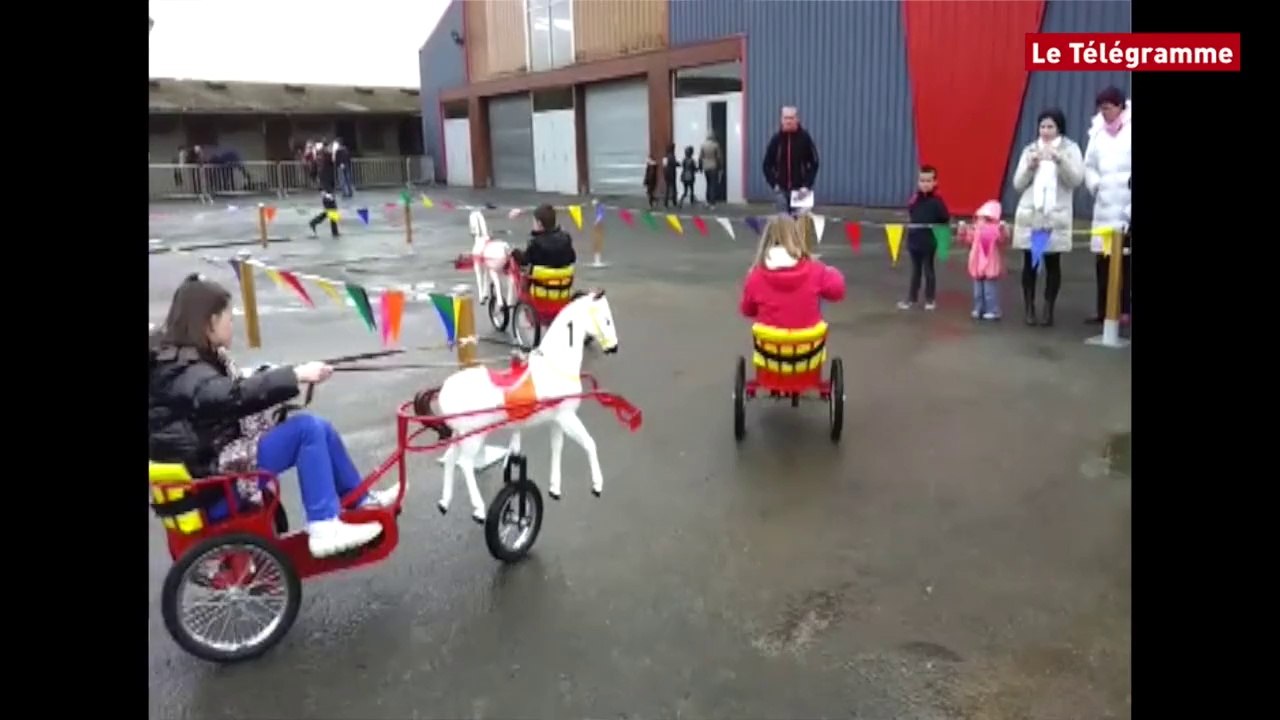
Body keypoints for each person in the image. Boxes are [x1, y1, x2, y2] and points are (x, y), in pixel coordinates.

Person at [148, 275, 396, 558]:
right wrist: (294, 376)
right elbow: (229, 395)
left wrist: (282, 374)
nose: (232, 325)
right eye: (229, 319)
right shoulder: (182, 368)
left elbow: (222, 389)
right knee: (306, 430)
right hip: (215, 485)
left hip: (211, 467)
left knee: (320, 428)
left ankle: (361, 501)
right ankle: (324, 525)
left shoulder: (181, 359)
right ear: (210, 322)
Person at [1010, 107, 1085, 327]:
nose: (1045, 131)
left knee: (1053, 263)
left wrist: (1060, 160)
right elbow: (1018, 184)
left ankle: (1048, 309)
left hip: (1055, 216)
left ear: (1059, 128)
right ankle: (1029, 308)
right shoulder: (1030, 149)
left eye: (1050, 126)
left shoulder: (1070, 149)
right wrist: (1030, 167)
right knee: (1030, 263)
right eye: (1042, 126)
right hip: (1032, 215)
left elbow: (1076, 180)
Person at [740, 216, 846, 329]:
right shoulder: (816, 270)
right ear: (797, 238)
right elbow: (837, 292)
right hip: (809, 340)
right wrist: (829, 271)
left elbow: (748, 311)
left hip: (770, 340)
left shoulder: (755, 277)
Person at [1083, 87, 1132, 325]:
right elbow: (1089, 165)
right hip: (1104, 208)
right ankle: (1102, 310)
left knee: (1126, 263)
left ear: (1120, 107)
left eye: (1108, 108)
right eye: (1101, 109)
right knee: (1103, 262)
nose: (1104, 113)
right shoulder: (1097, 133)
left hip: (1127, 207)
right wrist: (1095, 185)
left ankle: (1124, 310)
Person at [898, 165, 950, 311]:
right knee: (915, 271)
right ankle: (911, 298)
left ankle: (930, 299)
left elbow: (945, 218)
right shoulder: (914, 200)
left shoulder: (937, 202)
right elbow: (911, 214)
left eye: (928, 181)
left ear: (935, 182)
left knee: (928, 270)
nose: (925, 184)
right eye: (922, 180)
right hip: (914, 241)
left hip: (929, 242)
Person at [958, 200, 1010, 320]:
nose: (982, 220)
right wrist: (963, 231)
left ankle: (993, 310)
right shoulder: (975, 229)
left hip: (990, 265)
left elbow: (1003, 240)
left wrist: (1002, 230)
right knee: (978, 292)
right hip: (977, 264)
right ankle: (979, 308)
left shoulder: (996, 230)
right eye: (980, 217)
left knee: (989, 291)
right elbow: (967, 240)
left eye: (986, 218)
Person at [762, 106, 820, 215]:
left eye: (791, 118)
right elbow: (766, 165)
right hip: (781, 192)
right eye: (786, 118)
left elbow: (814, 163)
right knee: (784, 223)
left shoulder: (805, 138)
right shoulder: (776, 140)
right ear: (781, 120)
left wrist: (807, 185)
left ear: (797, 119)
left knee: (800, 223)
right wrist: (774, 184)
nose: (788, 121)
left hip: (801, 192)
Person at [511, 204, 576, 270]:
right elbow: (572, 258)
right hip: (563, 276)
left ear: (539, 223)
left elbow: (525, 261)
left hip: (540, 276)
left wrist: (515, 252)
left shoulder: (536, 243)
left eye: (534, 222)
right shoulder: (566, 238)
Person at [308, 142, 340, 237]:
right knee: (332, 209)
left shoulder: (318, 160)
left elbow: (312, 173)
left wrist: (316, 182)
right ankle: (315, 223)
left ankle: (333, 230)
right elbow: (333, 158)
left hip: (325, 187)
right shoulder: (326, 158)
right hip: (326, 188)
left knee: (331, 209)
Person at [699, 133, 723, 208]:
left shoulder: (703, 145)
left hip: (706, 167)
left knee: (708, 184)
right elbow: (719, 157)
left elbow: (700, 157)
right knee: (713, 185)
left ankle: (707, 201)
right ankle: (712, 203)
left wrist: (700, 167)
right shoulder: (716, 145)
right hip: (713, 166)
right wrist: (720, 167)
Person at [661, 143, 679, 208]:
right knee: (674, 188)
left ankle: (665, 202)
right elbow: (674, 164)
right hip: (672, 174)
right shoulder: (672, 156)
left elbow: (664, 166)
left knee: (667, 188)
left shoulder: (665, 156)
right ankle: (674, 201)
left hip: (666, 174)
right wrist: (678, 164)